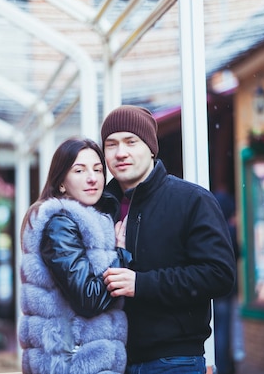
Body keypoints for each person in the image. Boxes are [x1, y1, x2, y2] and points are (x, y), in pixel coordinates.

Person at [101, 105, 236, 374]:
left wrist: (142, 283)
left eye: (131, 141)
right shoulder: (101, 208)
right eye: (111, 144)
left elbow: (219, 275)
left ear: (151, 148)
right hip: (112, 360)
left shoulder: (191, 200)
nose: (120, 152)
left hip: (174, 361)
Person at [19, 138, 130, 374]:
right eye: (79, 170)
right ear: (61, 183)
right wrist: (120, 253)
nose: (92, 178)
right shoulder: (60, 224)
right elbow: (88, 298)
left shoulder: (92, 221)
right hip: (75, 363)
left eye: (98, 170)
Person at [212, 190, 240, 374]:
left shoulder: (212, 227)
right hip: (226, 289)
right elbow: (239, 253)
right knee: (224, 331)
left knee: (216, 330)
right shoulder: (230, 230)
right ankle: (223, 367)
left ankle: (218, 365)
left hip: (212, 289)